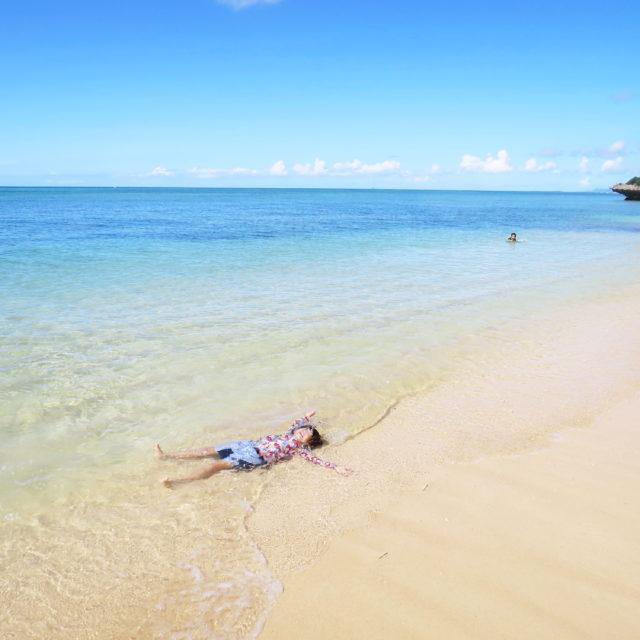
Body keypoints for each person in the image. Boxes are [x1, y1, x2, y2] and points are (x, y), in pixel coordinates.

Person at [156, 411, 352, 487]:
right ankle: (166, 456)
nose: (304, 431)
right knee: (205, 451)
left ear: (308, 443)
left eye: (308, 433)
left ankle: (178, 482)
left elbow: (315, 460)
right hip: (246, 444)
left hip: (254, 457)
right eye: (304, 428)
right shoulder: (288, 433)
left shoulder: (298, 449)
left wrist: (335, 467)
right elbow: (296, 422)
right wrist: (307, 417)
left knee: (214, 466)